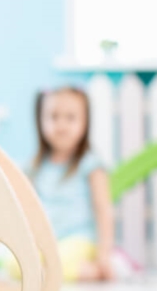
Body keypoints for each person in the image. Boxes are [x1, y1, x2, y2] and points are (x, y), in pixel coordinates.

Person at [25, 87, 118, 281]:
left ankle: (89, 271)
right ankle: (44, 274)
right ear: (40, 121)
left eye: (70, 118)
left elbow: (104, 211)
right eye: (53, 117)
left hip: (79, 239)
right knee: (12, 262)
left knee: (58, 262)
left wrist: (104, 253)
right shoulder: (35, 167)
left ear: (85, 123)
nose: (61, 125)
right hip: (47, 241)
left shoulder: (90, 164)